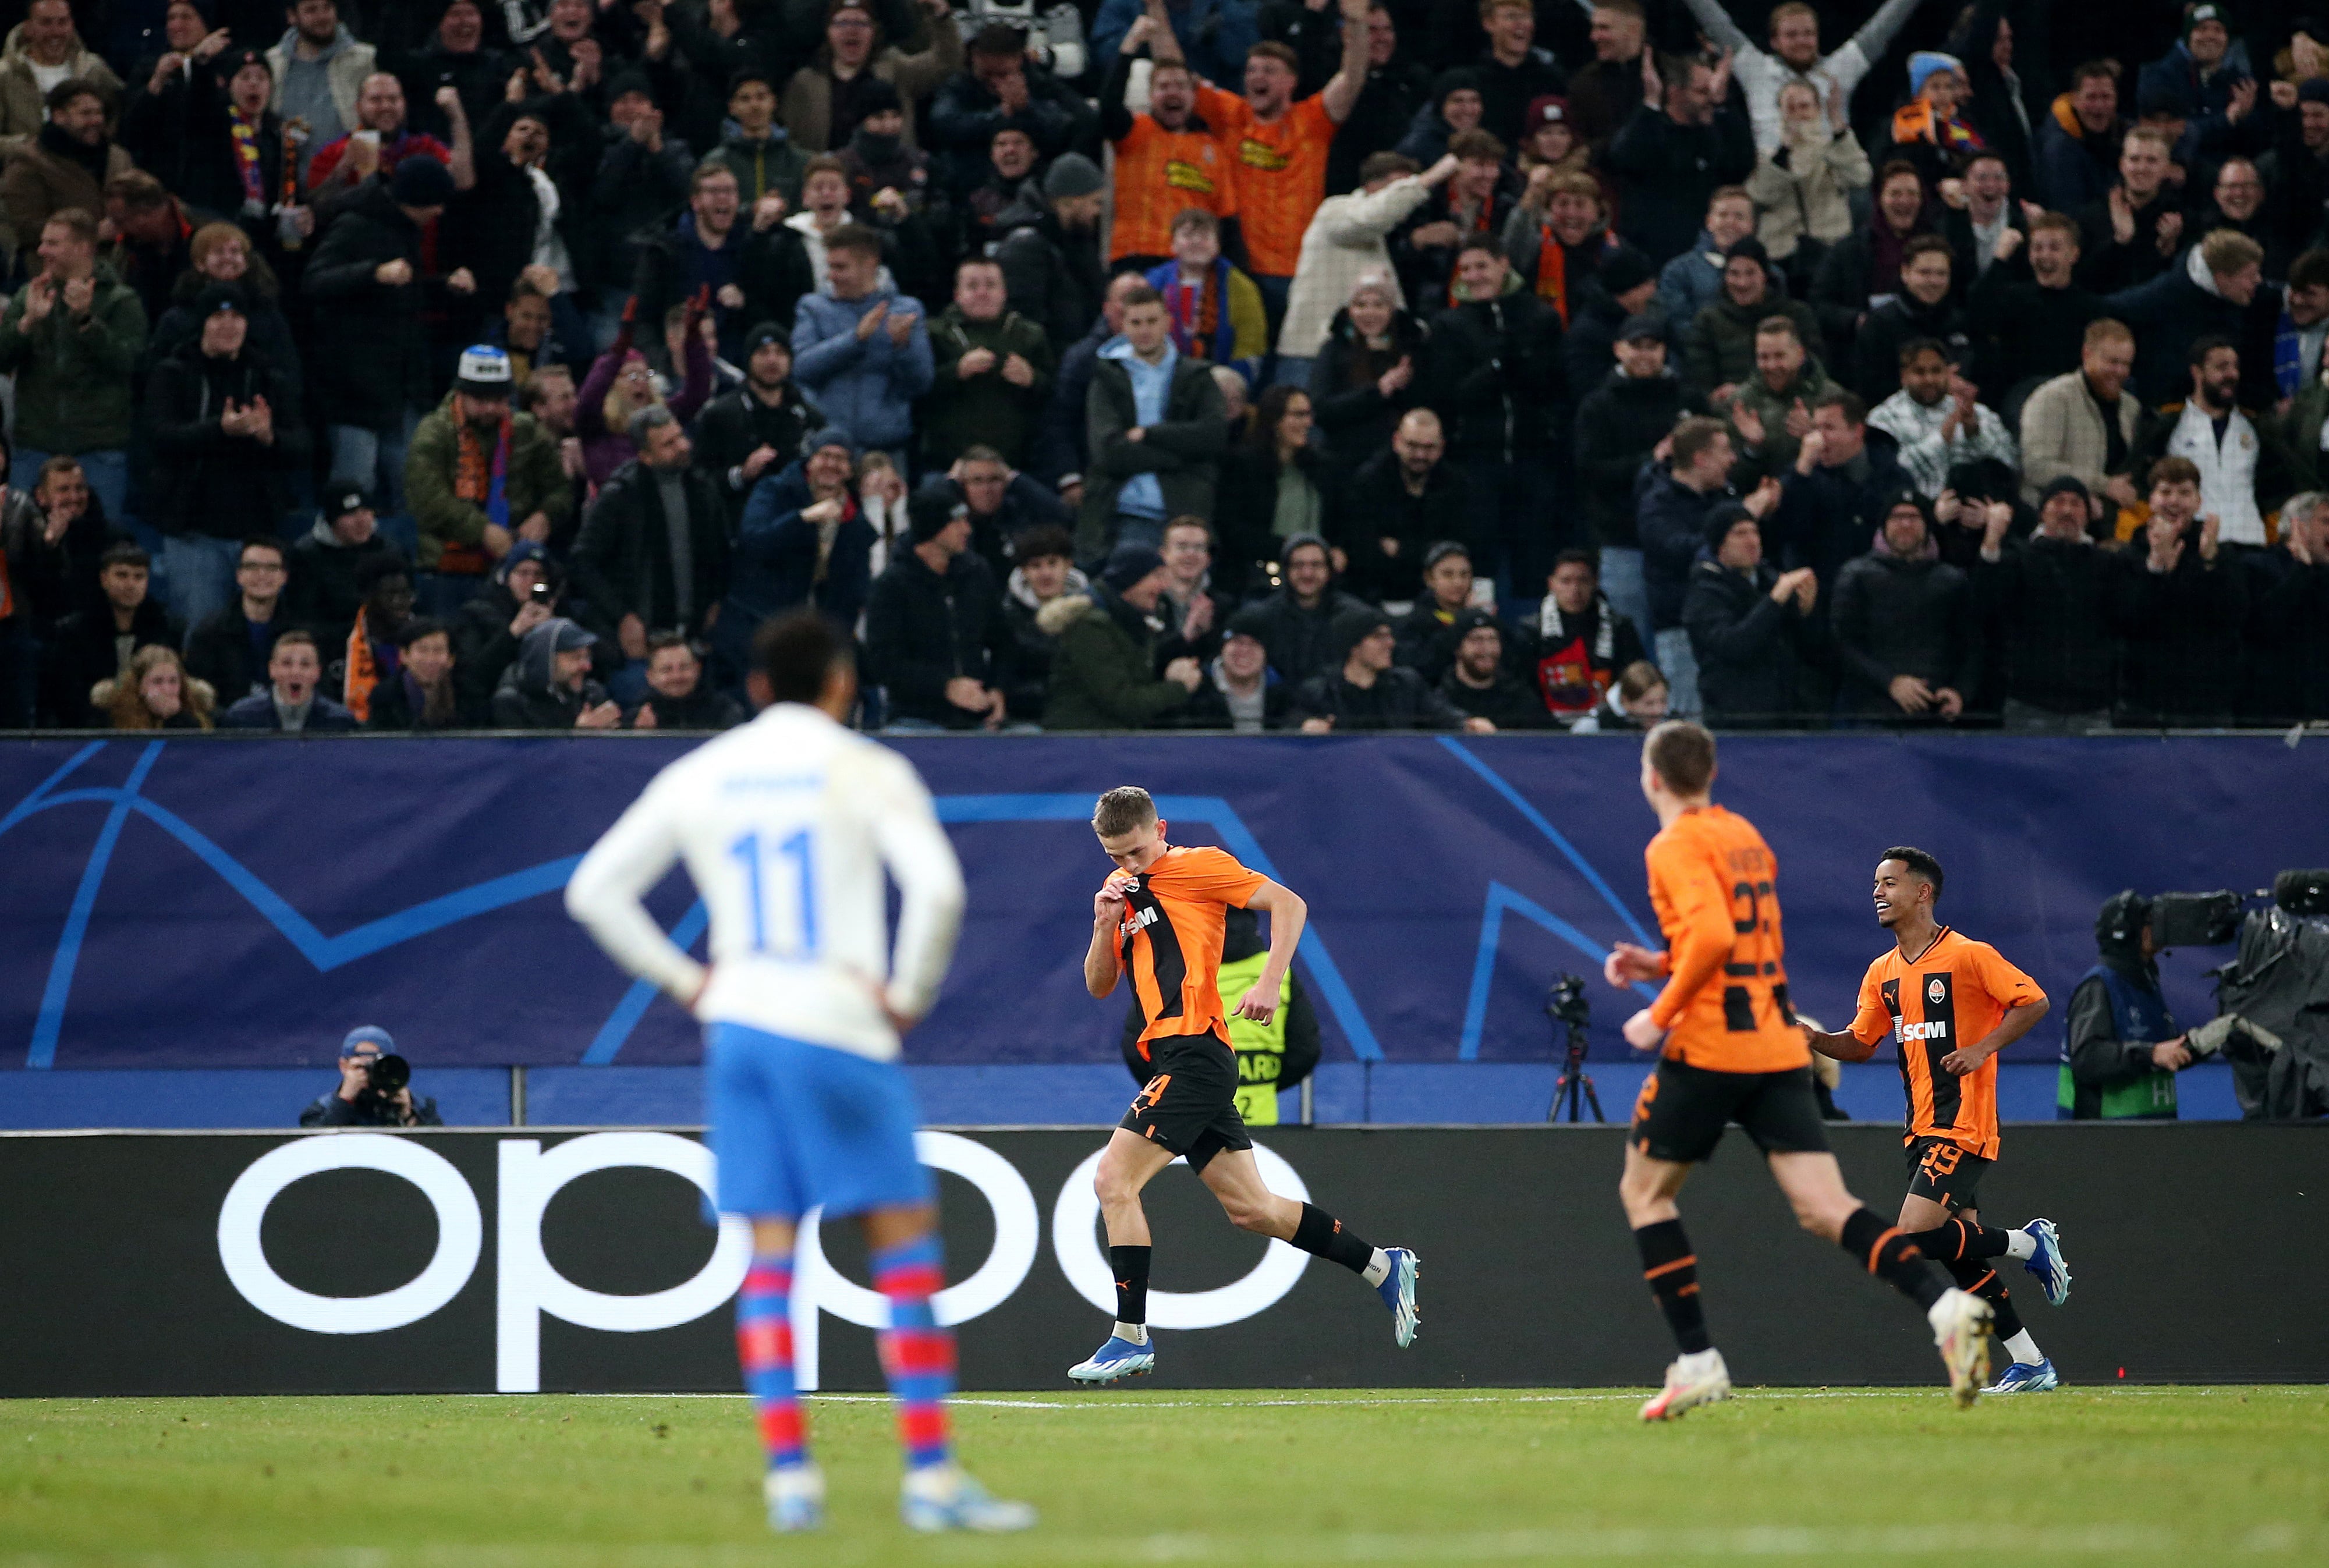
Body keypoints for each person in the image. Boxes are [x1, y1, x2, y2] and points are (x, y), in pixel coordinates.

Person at [564, 611, 1031, 1534]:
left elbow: (593, 891)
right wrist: (906, 993)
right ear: (842, 683)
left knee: (768, 1259)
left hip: (741, 1027)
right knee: (901, 1248)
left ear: (758, 685)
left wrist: (691, 982)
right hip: (840, 1023)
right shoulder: (867, 768)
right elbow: (938, 888)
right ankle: (930, 1476)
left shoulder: (701, 770)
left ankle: (790, 1479)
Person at [1600, 721, 1994, 1419]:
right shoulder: (1743, 836)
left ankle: (1696, 1361)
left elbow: (1715, 937)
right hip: (1777, 1047)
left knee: (1643, 1192)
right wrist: (1660, 961)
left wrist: (1656, 1008)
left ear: (1652, 777)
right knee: (1824, 1207)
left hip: (1713, 1045)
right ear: (1709, 775)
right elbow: (1735, 941)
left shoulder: (1672, 844)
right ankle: (1944, 1310)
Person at [1070, 783, 1419, 1384]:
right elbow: (1099, 985)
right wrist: (1104, 923)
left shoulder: (1196, 865)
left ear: (1160, 829)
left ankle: (1129, 1335)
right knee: (1252, 1209)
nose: (1127, 865)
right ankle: (1382, 1267)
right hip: (1177, 1059)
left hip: (1195, 1054)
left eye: (1134, 851)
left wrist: (1268, 983)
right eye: (1113, 857)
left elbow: (1290, 904)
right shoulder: (1122, 896)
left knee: (1112, 1179)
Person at [1803, 847, 2069, 1396]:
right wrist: (1813, 1040)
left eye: (1889, 883)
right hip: (1920, 1126)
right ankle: (2030, 1361)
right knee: (1961, 1252)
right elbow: (1858, 1042)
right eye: (1874, 883)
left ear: (1922, 893)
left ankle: (2027, 1243)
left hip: (1963, 1122)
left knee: (1911, 1235)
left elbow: (2034, 1001)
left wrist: (1981, 1048)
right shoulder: (1882, 972)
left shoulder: (1969, 956)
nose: (1877, 892)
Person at [1151, 0, 1371, 334]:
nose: (1257, 77)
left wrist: (1356, 24)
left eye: (1269, 70)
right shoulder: (1232, 116)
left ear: (1290, 82)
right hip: (1242, 273)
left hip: (1303, 273)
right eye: (1252, 70)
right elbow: (1173, 71)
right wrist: (1154, 6)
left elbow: (1352, 77)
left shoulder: (1312, 121)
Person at [143, 286, 307, 629]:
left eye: (237, 317)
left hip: (259, 532)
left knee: (263, 634)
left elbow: (301, 446)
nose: (229, 326)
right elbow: (160, 437)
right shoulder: (172, 372)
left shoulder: (268, 375)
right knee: (200, 630)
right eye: (218, 317)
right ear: (202, 323)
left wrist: (268, 436)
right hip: (195, 532)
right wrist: (218, 430)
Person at [304, 155, 454, 513]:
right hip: (355, 385)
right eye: (435, 202)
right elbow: (314, 282)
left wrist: (444, 285)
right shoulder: (356, 225)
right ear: (414, 199)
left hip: (400, 381)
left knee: (416, 486)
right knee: (355, 492)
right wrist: (373, 273)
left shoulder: (404, 230)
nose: (440, 212)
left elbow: (403, 290)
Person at [1427, 236, 1565, 590]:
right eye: (1466, 268)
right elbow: (1451, 396)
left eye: (1481, 266)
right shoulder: (1449, 325)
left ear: (1504, 265)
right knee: (1479, 562)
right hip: (1475, 463)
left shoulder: (1540, 317)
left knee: (1535, 562)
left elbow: (1554, 388)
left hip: (1533, 459)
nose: (1473, 276)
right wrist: (1497, 365)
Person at [0, 208, 144, 533]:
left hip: (98, 450)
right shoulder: (29, 295)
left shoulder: (121, 302)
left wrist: (86, 323)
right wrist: (26, 323)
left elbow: (129, 364)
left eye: (52, 244)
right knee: (22, 545)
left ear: (82, 248)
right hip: (34, 447)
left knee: (100, 547)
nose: (41, 251)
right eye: (42, 243)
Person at [407, 344, 571, 611]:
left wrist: (545, 515)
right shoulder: (434, 433)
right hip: (449, 569)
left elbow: (560, 489)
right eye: (481, 401)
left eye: (498, 400)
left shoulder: (527, 430)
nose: (490, 409)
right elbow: (428, 502)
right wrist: (482, 531)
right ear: (461, 394)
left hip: (518, 568)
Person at [572, 405, 732, 671]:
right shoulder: (621, 496)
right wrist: (622, 616)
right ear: (646, 456)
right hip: (641, 637)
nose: (683, 446)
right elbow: (582, 561)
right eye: (669, 444)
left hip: (694, 635)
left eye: (680, 436)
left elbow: (721, 551)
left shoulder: (702, 487)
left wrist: (715, 600)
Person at [1078, 283, 1228, 560]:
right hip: (1126, 514)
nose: (1144, 330)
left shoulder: (1197, 377)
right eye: (1136, 322)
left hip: (1187, 514)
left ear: (1168, 323)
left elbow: (1215, 435)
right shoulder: (1106, 378)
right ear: (1123, 325)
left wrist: (1150, 434)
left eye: (1152, 321)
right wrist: (1181, 458)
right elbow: (1109, 453)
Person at [1639, 416, 1777, 716]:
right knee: (1691, 727)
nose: (1732, 459)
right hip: (1681, 632)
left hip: (1730, 627)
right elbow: (1678, 552)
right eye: (1725, 451)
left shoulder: (1721, 495)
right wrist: (1738, 519)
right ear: (1701, 459)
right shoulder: (1657, 504)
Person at [1677, 0, 1928, 155]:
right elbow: (1714, 21)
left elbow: (1883, 27)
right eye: (1792, 35)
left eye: (1808, 34)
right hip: (1774, 186)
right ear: (1775, 41)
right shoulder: (1756, 70)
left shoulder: (1838, 71)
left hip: (1829, 187)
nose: (1802, 42)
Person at [1973, 476, 2122, 730]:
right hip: (2029, 702)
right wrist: (1991, 542)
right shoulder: (2018, 558)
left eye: (2076, 503)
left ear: (2088, 514)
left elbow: (2126, 619)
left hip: (2092, 704)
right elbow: (1985, 607)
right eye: (2059, 501)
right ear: (2042, 512)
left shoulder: (2105, 564)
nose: (2067, 510)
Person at [1574, 313, 1690, 635]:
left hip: (1679, 543)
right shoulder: (1597, 406)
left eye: (1652, 346)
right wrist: (1650, 460)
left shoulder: (1687, 398)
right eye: (1636, 346)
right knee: (1628, 640)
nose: (1644, 354)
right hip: (1622, 540)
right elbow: (1590, 470)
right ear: (1618, 350)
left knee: (1680, 642)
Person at [863, 485, 1013, 730]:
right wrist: (945, 687)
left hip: (977, 716)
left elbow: (1004, 641)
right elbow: (883, 663)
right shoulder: (891, 586)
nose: (967, 529)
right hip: (914, 717)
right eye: (958, 522)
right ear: (934, 528)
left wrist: (998, 689)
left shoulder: (977, 573)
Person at [2113, 457, 2247, 726]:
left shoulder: (2221, 554)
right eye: (2165, 492)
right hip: (2143, 704)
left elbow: (2235, 616)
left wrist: (2209, 562)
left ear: (2198, 501)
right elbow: (2127, 621)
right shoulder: (2128, 556)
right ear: (2150, 500)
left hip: (2206, 705)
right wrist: (2156, 567)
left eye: (2184, 493)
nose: (2174, 501)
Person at [2133, 336, 2298, 551]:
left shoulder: (2255, 427)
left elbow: (2276, 486)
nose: (2231, 375)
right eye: (2221, 367)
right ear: (2197, 372)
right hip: (2192, 544)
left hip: (2250, 543)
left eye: (2235, 367)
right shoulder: (2169, 424)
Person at [1831, 489, 1979, 724]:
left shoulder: (1952, 580)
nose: (1906, 524)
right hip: (1869, 712)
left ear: (1927, 525)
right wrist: (1891, 682)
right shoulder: (1856, 575)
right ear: (1884, 526)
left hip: (1934, 712)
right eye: (1897, 517)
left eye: (1914, 517)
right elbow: (1842, 643)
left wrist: (1959, 691)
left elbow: (1970, 645)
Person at [790, 223, 931, 469]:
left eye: (840, 267)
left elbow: (921, 383)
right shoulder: (812, 307)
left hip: (886, 450)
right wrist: (856, 339)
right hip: (827, 449)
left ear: (870, 264)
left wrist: (903, 347)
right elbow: (802, 368)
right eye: (830, 266)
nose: (830, 276)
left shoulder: (906, 311)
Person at [1603, 49, 1754, 268]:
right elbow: (1623, 158)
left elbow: (1742, 166)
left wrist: (1723, 104)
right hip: (1651, 258)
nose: (1709, 100)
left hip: (1707, 261)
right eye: (1702, 92)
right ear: (1675, 93)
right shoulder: (1651, 129)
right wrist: (1651, 104)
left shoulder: (1715, 134)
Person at [1038, 542, 1203, 730]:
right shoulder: (1090, 626)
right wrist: (1179, 687)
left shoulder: (1133, 619)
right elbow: (1123, 701)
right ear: (1130, 579)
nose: (1164, 585)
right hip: (1080, 743)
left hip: (1112, 741)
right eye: (1157, 576)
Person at [1683, 503, 1819, 728]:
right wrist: (1775, 601)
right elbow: (1735, 645)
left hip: (1786, 714)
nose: (1752, 541)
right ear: (1720, 545)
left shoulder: (1770, 580)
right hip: (1736, 719)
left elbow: (1809, 647)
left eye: (1755, 532)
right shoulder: (1705, 593)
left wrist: (1806, 611)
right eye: (1740, 533)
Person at [2101, 228, 2268, 409]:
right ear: (2222, 278)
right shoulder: (2161, 297)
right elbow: (2105, 312)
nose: (2258, 281)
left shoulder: (2239, 300)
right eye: (2250, 276)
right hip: (2165, 412)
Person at [778, 0, 965, 155]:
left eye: (861, 23)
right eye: (842, 23)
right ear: (828, 32)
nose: (852, 30)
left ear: (874, 32)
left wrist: (941, 17)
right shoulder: (805, 82)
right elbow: (791, 143)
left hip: (889, 182)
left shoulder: (897, 70)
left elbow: (946, 62)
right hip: (827, 186)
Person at [921, 256, 1053, 471]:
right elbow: (916, 390)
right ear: (958, 294)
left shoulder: (1030, 335)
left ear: (1004, 293)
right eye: (972, 286)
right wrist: (956, 372)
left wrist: (1032, 379)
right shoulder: (934, 334)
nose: (982, 293)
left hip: (1017, 463)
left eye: (991, 285)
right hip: (948, 463)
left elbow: (1053, 395)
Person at [1966, 212, 2105, 403]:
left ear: (2074, 254)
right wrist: (2000, 259)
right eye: (2037, 248)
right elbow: (1976, 312)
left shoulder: (2092, 309)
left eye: (2054, 248)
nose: (2045, 255)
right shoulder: (2013, 299)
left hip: (2073, 397)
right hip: (2022, 397)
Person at [694, 323, 821, 528]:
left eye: (780, 352)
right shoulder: (720, 415)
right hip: (738, 524)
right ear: (749, 359)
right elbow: (699, 479)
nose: (772, 360)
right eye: (763, 352)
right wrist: (741, 474)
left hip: (798, 527)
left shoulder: (809, 417)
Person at [41, 542, 180, 728]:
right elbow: (66, 699)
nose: (131, 585)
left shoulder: (165, 629)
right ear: (104, 579)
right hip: (87, 731)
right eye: (122, 575)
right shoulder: (73, 632)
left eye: (139, 577)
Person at [1306, 268, 1431, 469]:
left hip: (1397, 463)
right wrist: (1378, 390)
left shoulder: (1411, 348)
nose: (1369, 313)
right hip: (1344, 459)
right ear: (1350, 310)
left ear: (1391, 309)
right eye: (1361, 305)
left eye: (1378, 305)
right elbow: (1321, 409)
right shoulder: (1334, 349)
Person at [1294, 605, 1489, 732]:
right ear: (1353, 646)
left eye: (1389, 636)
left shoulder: (1407, 685)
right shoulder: (1320, 692)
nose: (1390, 644)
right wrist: (1306, 727)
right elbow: (1290, 724)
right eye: (1379, 637)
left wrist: (1467, 723)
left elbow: (1442, 715)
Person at [2018, 318, 2143, 514]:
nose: (2120, 372)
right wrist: (2102, 486)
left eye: (2126, 364)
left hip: (2115, 520)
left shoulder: (2131, 407)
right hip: (2055, 517)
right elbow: (2037, 468)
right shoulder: (2053, 398)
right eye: (2113, 362)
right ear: (2087, 355)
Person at [1869, 338, 2019, 500]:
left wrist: (1974, 433)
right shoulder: (1883, 419)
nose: (1930, 380)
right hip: (1917, 510)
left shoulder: (1979, 413)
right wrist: (1942, 437)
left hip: (1980, 510)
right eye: (1920, 372)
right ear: (1904, 377)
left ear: (1948, 372)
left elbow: (2010, 464)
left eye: (1936, 371)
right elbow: (1887, 475)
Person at [1746, 78, 1870, 275]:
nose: (1798, 115)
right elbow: (1760, 195)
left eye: (1804, 107)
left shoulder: (1835, 150)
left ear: (1818, 110)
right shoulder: (1767, 157)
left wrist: (1838, 127)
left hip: (1830, 247)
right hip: (1781, 253)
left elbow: (1861, 177)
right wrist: (1785, 150)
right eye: (1790, 108)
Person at [993, 152, 1110, 355]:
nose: (1097, 212)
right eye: (1095, 202)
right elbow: (1026, 322)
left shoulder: (1074, 237)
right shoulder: (1025, 245)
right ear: (1072, 202)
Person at [1683, 240, 1821, 408]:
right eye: (1734, 274)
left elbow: (1814, 368)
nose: (1742, 283)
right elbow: (1700, 381)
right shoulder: (1707, 320)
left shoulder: (1798, 314)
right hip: (1729, 411)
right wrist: (1716, 396)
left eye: (1750, 273)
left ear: (1765, 275)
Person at [286, 484, 402, 659]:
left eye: (366, 511)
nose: (362, 520)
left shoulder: (389, 551)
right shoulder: (307, 556)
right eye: (351, 514)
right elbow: (303, 620)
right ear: (332, 521)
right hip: (329, 649)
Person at [1531, 547, 1646, 724]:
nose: (1575, 590)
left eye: (1582, 581)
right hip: (1547, 727)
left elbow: (1635, 682)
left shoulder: (1620, 627)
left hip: (1609, 725)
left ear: (1595, 582)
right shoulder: (1531, 631)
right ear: (1551, 584)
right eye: (1565, 581)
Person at [1852, 236, 1966, 405]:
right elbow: (1869, 388)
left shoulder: (1960, 322)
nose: (1934, 281)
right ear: (1905, 273)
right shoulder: (1879, 324)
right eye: (1925, 273)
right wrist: (1935, 384)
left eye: (1941, 274)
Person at [2072, 125, 2182, 297]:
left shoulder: (2180, 217)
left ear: (2167, 168)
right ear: (2122, 165)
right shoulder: (2091, 217)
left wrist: (2168, 252)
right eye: (2134, 159)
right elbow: (2081, 283)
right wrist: (2120, 243)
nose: (2142, 168)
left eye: (2152, 161)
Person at [266, 0, 375, 167]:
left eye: (327, 7)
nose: (322, 17)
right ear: (292, 16)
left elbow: (376, 119)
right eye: (311, 10)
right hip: (286, 181)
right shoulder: (273, 63)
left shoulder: (365, 59)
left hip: (353, 179)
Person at [185, 537, 290, 707]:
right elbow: (198, 698)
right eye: (253, 567)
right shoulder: (209, 633)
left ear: (284, 577)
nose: (262, 575)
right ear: (239, 576)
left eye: (272, 568)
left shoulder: (300, 632)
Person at [0, 0, 121, 147]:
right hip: (31, 164)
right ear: (29, 28)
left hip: (88, 162)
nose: (56, 32)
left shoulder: (93, 68)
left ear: (72, 25)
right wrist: (30, 145)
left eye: (62, 22)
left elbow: (120, 112)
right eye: (46, 23)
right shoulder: (5, 75)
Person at [1653, 186, 1756, 338]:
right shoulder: (1678, 271)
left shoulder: (1770, 273)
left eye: (1739, 217)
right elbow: (1677, 325)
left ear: (1752, 225)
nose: (1730, 223)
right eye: (1723, 215)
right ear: (1709, 221)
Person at [492, 615, 621, 729]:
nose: (587, 667)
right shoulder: (511, 703)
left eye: (587, 657)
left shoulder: (590, 694)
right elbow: (523, 756)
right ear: (545, 659)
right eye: (575, 658)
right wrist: (579, 736)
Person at [299, 1027, 443, 1129]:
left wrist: (408, 1115)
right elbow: (315, 1150)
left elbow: (440, 1150)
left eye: (375, 1067)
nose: (368, 1075)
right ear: (344, 1066)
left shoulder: (422, 1107)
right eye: (360, 1067)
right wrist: (344, 1101)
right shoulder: (321, 1110)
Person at [221, 629, 360, 732]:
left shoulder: (341, 721)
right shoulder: (242, 718)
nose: (296, 672)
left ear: (317, 672)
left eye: (305, 665)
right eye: (287, 663)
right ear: (272, 670)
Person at [1437, 608, 1543, 728]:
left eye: (1493, 640)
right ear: (1458, 648)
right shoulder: (1441, 702)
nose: (1487, 649)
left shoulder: (1520, 699)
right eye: (1477, 640)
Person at [366, 615, 477, 730]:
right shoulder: (384, 695)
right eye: (422, 650)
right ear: (404, 655)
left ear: (451, 659)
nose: (430, 660)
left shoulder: (470, 695)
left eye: (438, 651)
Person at [626, 631, 744, 730]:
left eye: (684, 668)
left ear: (697, 670)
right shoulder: (634, 717)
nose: (677, 676)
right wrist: (641, 736)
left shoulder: (725, 711)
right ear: (650, 677)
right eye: (667, 670)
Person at [95, 643, 215, 730]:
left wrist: (176, 717)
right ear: (140, 687)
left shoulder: (197, 714)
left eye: (173, 681)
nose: (167, 690)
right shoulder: (113, 718)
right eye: (157, 682)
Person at [1571, 656, 1670, 733]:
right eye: (1649, 704)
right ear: (1626, 702)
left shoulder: (1671, 725)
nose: (1659, 711)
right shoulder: (1594, 726)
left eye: (1663, 701)